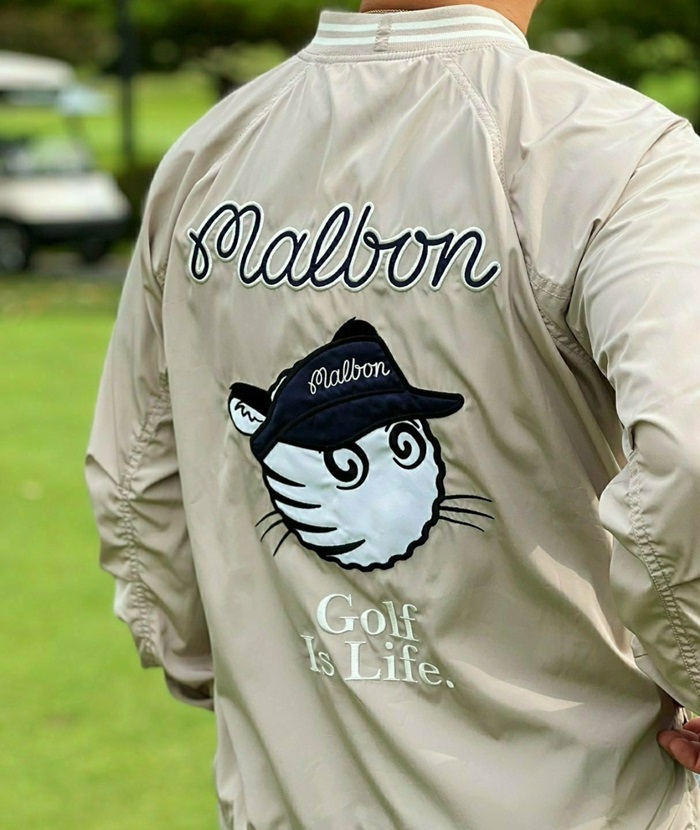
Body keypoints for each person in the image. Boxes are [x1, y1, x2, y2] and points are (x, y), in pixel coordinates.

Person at [86, 0, 700, 827]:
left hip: (290, 797)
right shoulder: (611, 153)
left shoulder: (212, 155)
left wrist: (235, 672)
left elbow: (138, 483)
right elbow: (687, 455)